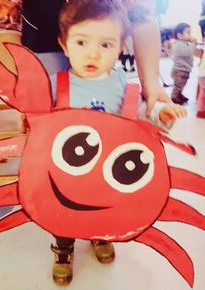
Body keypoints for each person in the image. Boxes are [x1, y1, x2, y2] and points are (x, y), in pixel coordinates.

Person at [49, 0, 187, 285]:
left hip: (105, 170)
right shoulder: (53, 84)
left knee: (101, 207)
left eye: (106, 45)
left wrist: (163, 114)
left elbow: (141, 115)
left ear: (122, 47)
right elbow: (35, 121)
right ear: (64, 45)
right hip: (66, 172)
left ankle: (100, 236)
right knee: (62, 212)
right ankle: (63, 249)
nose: (93, 53)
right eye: (82, 42)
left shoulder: (123, 83)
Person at [0, 0, 170, 113]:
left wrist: (151, 83)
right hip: (41, 43)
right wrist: (20, 91)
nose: (91, 55)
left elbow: (143, 16)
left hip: (102, 31)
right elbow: (6, 25)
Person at [170, 22, 202, 105]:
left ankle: (179, 95)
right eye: (188, 33)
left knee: (182, 84)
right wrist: (194, 44)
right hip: (179, 71)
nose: (190, 35)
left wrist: (193, 44)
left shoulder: (184, 43)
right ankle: (174, 97)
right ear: (180, 35)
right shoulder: (178, 45)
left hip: (184, 69)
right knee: (178, 85)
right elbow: (188, 52)